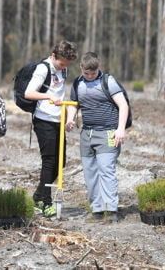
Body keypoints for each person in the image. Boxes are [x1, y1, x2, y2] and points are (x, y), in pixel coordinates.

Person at [66, 52, 129, 222]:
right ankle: (97, 210)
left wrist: (120, 129)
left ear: (98, 68)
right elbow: (74, 104)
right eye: (86, 73)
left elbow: (123, 105)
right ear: (81, 68)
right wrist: (70, 119)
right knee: (90, 173)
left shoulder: (108, 81)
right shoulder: (77, 83)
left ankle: (111, 210)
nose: (89, 76)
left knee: (106, 170)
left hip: (108, 133)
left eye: (93, 73)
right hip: (87, 134)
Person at [22, 40, 78, 216]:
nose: (64, 67)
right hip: (43, 119)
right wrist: (48, 97)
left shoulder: (63, 70)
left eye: (67, 65)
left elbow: (63, 94)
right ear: (54, 56)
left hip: (58, 119)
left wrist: (69, 118)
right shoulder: (43, 69)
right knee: (49, 161)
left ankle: (38, 195)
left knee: (61, 161)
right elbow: (28, 93)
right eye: (61, 64)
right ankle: (46, 202)